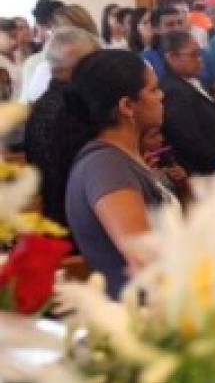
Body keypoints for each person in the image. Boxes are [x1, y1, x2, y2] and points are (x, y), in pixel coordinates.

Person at [60, 50, 174, 298]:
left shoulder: (120, 158)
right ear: (127, 106)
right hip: (142, 316)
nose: (161, 96)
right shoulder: (106, 166)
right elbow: (145, 259)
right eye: (153, 90)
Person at [24, 28, 102, 227]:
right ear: (79, 66)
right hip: (79, 221)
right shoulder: (73, 109)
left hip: (59, 215)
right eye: (95, 61)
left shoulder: (44, 103)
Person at [159, 30, 215, 175]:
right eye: (194, 54)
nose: (200, 59)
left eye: (200, 53)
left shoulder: (193, 80)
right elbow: (190, 141)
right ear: (171, 57)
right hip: (200, 173)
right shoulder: (173, 91)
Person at [141, 6, 187, 80]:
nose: (177, 28)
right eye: (170, 25)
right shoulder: (147, 59)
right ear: (155, 29)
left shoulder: (196, 53)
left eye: (180, 23)